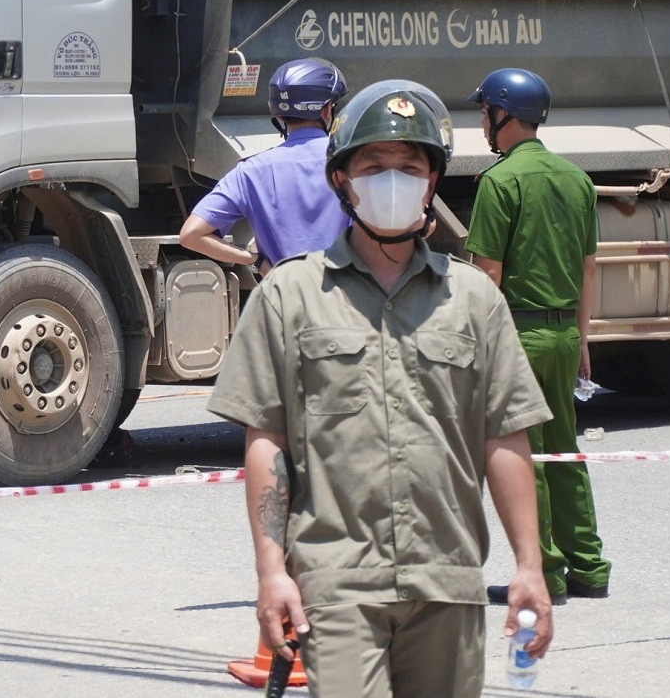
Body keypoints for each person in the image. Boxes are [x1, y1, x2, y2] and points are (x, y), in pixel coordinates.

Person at [210, 79, 555, 696]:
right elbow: (267, 441)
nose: (391, 178)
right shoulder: (289, 296)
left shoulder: (474, 300)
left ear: (431, 183)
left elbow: (504, 437)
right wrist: (271, 573)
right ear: (341, 180)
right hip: (335, 583)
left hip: (448, 582)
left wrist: (529, 566)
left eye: (409, 166)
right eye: (373, 165)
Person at [465, 67, 612, 603]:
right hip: (564, 333)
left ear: (504, 114)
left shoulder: (500, 182)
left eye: (485, 112)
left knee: (527, 455)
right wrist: (583, 339)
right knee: (564, 452)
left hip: (518, 335)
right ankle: (589, 566)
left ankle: (545, 573)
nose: (482, 122)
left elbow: (487, 278)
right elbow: (590, 267)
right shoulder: (576, 179)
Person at [178, 58, 351, 271]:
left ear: (278, 114)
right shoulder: (354, 162)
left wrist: (255, 260)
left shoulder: (250, 171)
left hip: (284, 297)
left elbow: (190, 235)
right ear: (326, 110)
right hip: (347, 297)